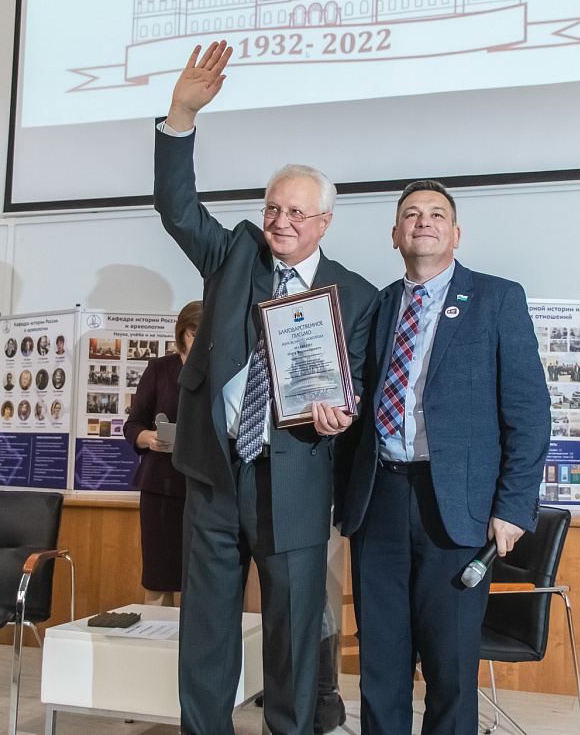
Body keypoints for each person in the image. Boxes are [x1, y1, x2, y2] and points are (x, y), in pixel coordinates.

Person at [154, 41, 377, 735]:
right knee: (206, 633)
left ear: (324, 222)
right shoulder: (234, 255)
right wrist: (181, 117)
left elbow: (356, 385)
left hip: (297, 482)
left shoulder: (356, 296)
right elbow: (177, 207)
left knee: (293, 637)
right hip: (216, 475)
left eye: (296, 213)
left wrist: (343, 415)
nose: (281, 221)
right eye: (273, 207)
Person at [323, 180, 550, 735]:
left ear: (455, 233)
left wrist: (513, 506)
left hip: (456, 508)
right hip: (378, 501)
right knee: (381, 664)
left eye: (436, 214)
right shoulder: (376, 306)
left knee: (451, 668)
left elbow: (529, 412)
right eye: (411, 214)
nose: (423, 221)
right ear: (395, 235)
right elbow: (358, 403)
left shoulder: (496, 298)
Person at [123, 301, 202, 607]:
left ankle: (193, 639)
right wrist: (150, 439)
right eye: (195, 333)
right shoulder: (159, 369)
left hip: (203, 489)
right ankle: (155, 635)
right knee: (158, 577)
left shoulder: (218, 369)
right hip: (161, 489)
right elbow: (133, 425)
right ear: (183, 334)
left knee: (200, 580)